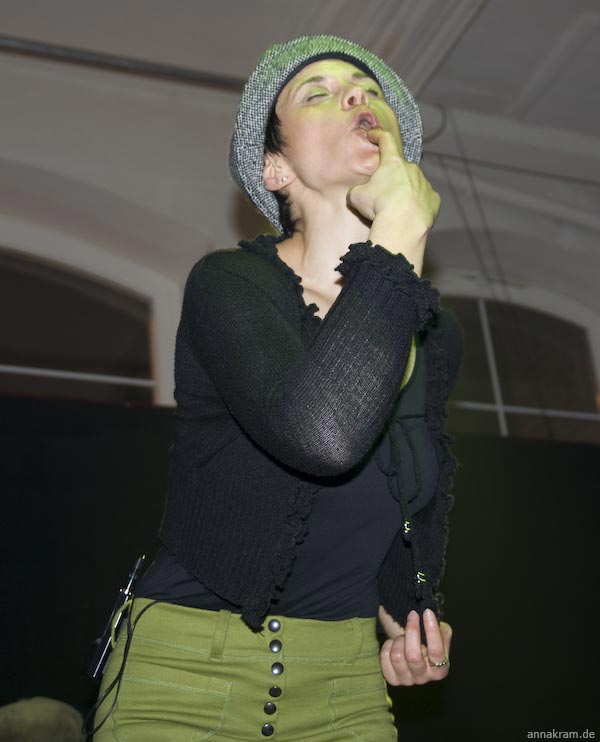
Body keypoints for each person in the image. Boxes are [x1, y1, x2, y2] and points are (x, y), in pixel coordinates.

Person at [91, 34, 463, 741]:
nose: (357, 96)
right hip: (183, 675)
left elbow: (414, 500)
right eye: (318, 93)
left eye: (369, 91)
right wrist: (400, 227)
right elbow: (323, 436)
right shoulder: (229, 285)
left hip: (346, 689)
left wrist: (411, 614)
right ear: (275, 168)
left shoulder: (435, 336)